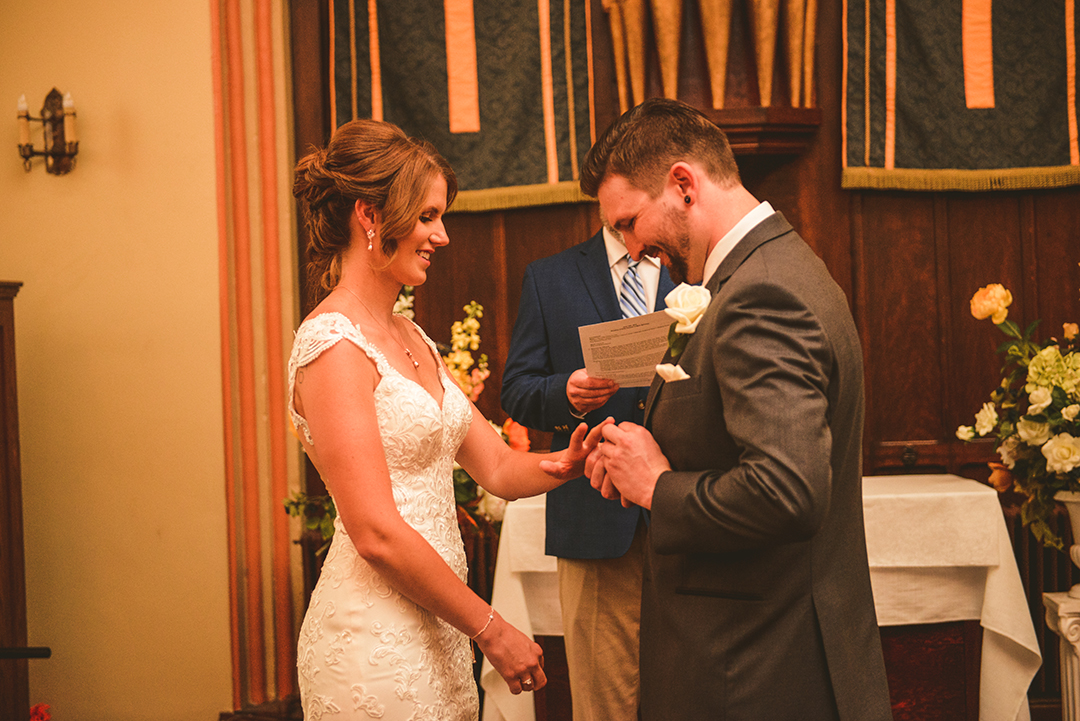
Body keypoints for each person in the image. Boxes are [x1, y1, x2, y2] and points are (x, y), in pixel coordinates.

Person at [580, 98, 893, 721]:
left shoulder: (762, 293)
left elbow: (787, 489)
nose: (632, 247)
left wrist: (657, 488)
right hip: (757, 658)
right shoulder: (767, 271)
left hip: (754, 674)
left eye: (628, 222)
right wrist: (639, 461)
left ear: (683, 184)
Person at [288, 119, 602, 720]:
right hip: (372, 644)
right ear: (370, 215)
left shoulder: (413, 337)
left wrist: (569, 462)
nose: (442, 235)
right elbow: (375, 532)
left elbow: (500, 466)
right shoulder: (331, 345)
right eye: (428, 216)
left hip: (440, 634)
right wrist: (491, 627)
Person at [500, 226, 673, 720]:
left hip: (688, 511)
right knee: (603, 706)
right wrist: (565, 394)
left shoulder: (694, 267)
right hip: (595, 517)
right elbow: (517, 390)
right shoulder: (550, 277)